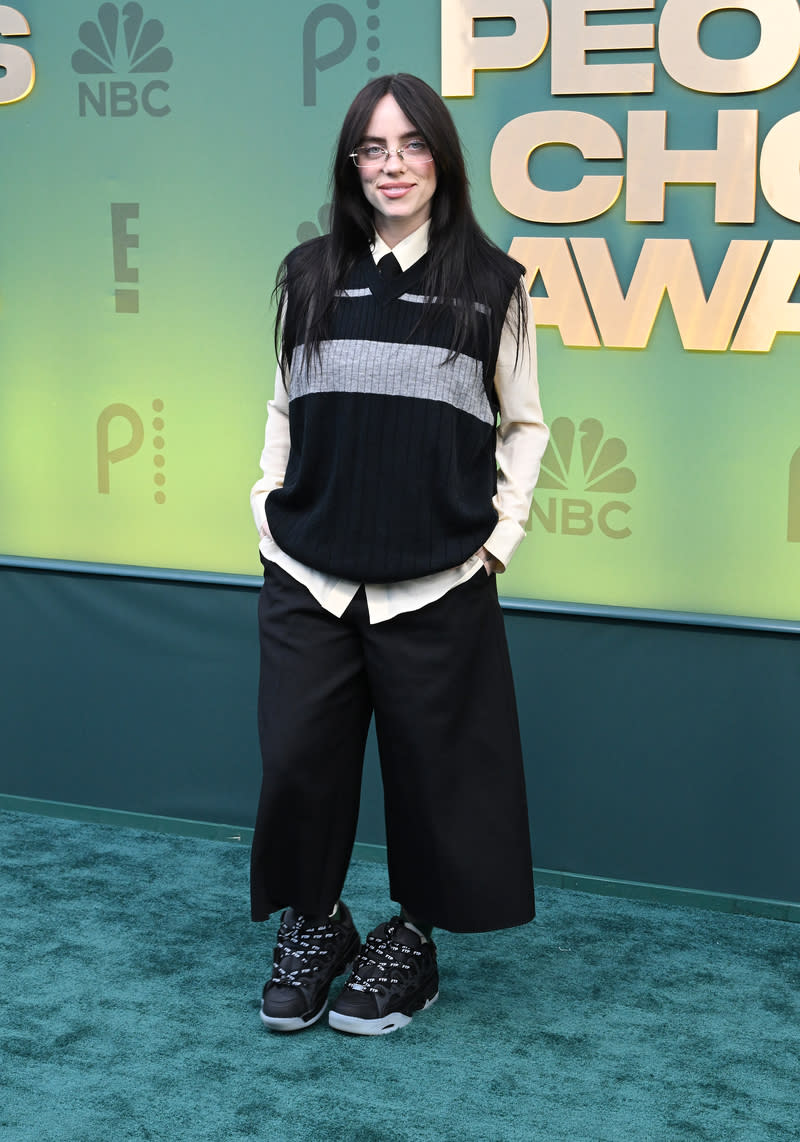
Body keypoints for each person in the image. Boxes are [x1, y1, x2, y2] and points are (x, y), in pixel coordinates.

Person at [249, 73, 548, 1037]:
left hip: (438, 579)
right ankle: (317, 920)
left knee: (436, 778)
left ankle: (411, 941)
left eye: (412, 145)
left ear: (441, 160)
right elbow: (284, 406)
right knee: (299, 760)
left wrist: (498, 540)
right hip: (311, 570)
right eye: (373, 148)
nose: (393, 166)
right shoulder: (305, 275)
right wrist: (265, 510)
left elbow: (527, 424)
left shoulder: (492, 285)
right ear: (352, 163)